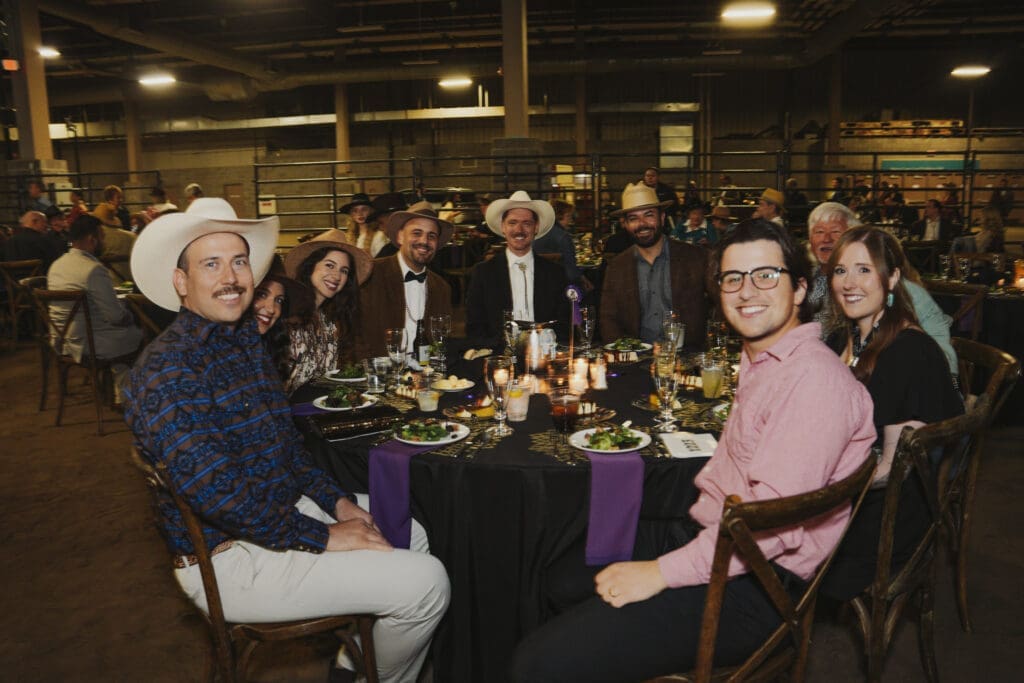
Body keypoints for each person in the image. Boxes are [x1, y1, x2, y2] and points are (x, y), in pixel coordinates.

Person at [510, 219, 875, 682]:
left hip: (757, 584)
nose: (748, 292)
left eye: (766, 275)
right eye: (733, 278)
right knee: (555, 571)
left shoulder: (814, 383)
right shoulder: (766, 360)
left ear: (800, 289)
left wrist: (659, 573)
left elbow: (768, 528)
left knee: (535, 663)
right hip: (713, 534)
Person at [122, 197, 449, 683]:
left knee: (411, 528)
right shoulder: (169, 369)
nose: (231, 276)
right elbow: (220, 494)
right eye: (210, 264)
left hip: (276, 517)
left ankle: (356, 661)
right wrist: (324, 536)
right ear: (181, 282)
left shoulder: (241, 343)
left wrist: (336, 503)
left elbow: (288, 450)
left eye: (238, 261)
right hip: (229, 557)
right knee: (429, 584)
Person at [821, 226, 964, 600]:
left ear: (893, 277)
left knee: (767, 542)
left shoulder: (909, 353)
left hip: (881, 518)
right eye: (840, 271)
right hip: (851, 492)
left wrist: (818, 487)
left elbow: (892, 468)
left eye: (864, 270)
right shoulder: (845, 337)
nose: (849, 282)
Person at [806, 202, 958, 377]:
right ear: (810, 240)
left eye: (835, 232)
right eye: (819, 232)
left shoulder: (902, 291)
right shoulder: (806, 282)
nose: (827, 239)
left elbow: (945, 363)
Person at [46, 214, 143, 403]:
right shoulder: (93, 269)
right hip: (91, 344)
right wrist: (132, 315)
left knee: (121, 334)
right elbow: (115, 316)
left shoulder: (56, 266)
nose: (104, 242)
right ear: (92, 239)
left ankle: (119, 392)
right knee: (142, 335)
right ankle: (127, 398)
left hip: (63, 341)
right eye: (102, 237)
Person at [599, 183, 708, 347]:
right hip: (637, 360)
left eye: (648, 215)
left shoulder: (694, 257)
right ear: (626, 225)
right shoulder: (617, 267)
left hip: (687, 359)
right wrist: (625, 354)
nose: (642, 224)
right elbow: (608, 318)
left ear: (662, 217)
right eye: (633, 218)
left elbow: (724, 301)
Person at [466, 191, 570, 347]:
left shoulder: (555, 273)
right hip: (499, 358)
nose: (519, 229)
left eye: (527, 223)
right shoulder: (483, 273)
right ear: (503, 227)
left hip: (545, 356)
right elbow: (475, 327)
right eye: (512, 223)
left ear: (536, 228)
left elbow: (565, 324)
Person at [358, 201, 454, 360]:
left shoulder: (441, 287)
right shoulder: (371, 274)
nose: (424, 241)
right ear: (400, 237)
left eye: (432, 236)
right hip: (378, 375)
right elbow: (353, 332)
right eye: (416, 233)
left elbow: (442, 342)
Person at [282, 230, 373, 394]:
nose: (336, 276)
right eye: (329, 265)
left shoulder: (331, 321)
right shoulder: (286, 313)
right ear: (310, 267)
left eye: (344, 271)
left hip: (318, 410)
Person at [251, 254, 313, 381]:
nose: (271, 309)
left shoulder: (270, 349)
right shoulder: (221, 352)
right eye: (261, 294)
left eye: (279, 300)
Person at [532, 198, 589, 288]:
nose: (571, 221)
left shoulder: (535, 234)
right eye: (569, 216)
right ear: (558, 216)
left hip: (538, 284)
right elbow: (571, 273)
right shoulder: (563, 237)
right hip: (561, 287)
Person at [340, 193, 389, 258]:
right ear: (351, 215)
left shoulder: (379, 236)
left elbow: (381, 261)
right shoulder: (348, 237)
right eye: (355, 210)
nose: (360, 213)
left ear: (371, 211)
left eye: (364, 209)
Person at [640, 166, 679, 231]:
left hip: (664, 221)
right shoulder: (640, 190)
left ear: (658, 177)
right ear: (644, 177)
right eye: (647, 175)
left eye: (653, 175)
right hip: (646, 220)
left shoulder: (667, 190)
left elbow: (675, 205)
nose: (650, 178)